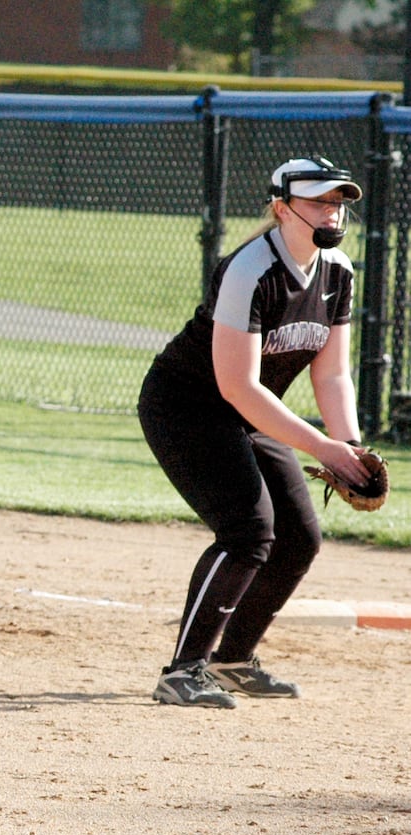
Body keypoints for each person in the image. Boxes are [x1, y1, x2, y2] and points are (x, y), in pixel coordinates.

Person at [137, 154, 369, 709]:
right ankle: (183, 671)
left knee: (299, 539)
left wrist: (351, 450)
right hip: (187, 406)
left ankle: (233, 661)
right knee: (248, 530)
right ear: (281, 207)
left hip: (249, 412)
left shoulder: (338, 273)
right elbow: (237, 385)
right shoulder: (250, 270)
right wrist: (321, 448)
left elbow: (332, 372)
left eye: (338, 202)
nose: (332, 213)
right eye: (318, 201)